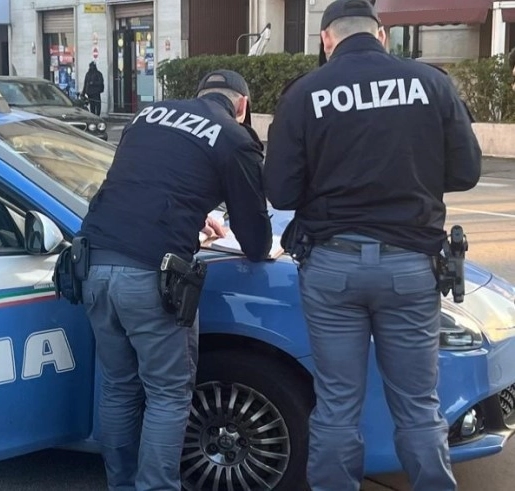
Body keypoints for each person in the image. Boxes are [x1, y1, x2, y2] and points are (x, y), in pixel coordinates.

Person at [262, 1, 482, 490]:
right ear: (381, 35)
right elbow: (466, 172)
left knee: (338, 403)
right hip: (410, 266)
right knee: (419, 404)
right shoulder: (430, 83)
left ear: (326, 40)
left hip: (332, 266)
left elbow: (280, 191)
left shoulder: (305, 94)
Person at [78, 69, 273, 490]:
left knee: (118, 386)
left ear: (198, 92)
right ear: (241, 105)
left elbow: (141, 185)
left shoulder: (146, 116)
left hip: (94, 265)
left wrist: (191, 213)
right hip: (152, 276)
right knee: (168, 395)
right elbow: (255, 235)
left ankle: (121, 483)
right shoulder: (233, 135)